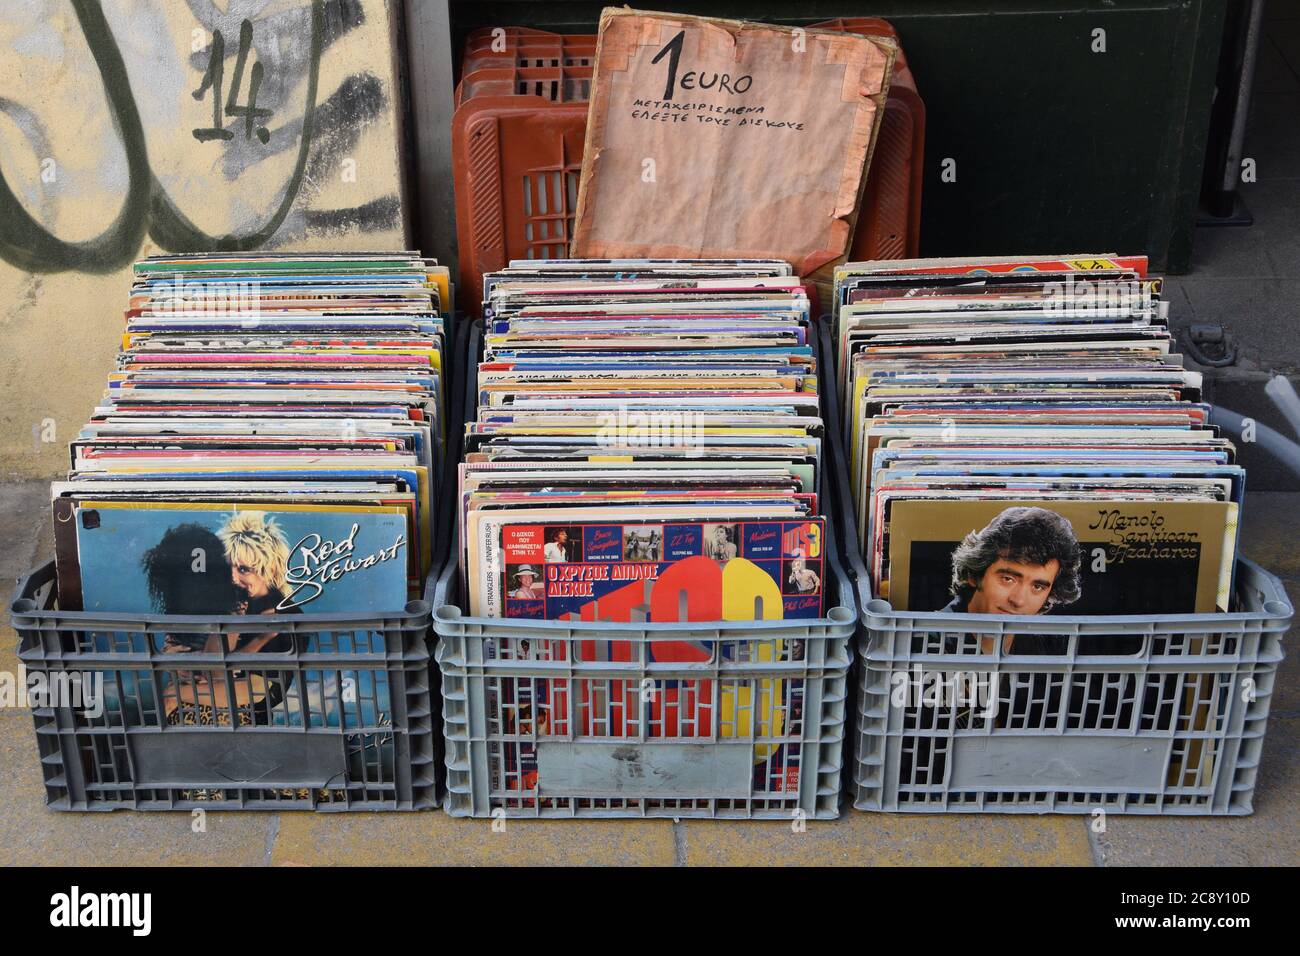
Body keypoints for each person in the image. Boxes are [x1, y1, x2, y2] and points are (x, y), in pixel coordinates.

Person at [941, 506, 1082, 619]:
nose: (1018, 601)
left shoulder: (1045, 644)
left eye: (1038, 587)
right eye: (1008, 579)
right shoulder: (926, 640)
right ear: (974, 575)